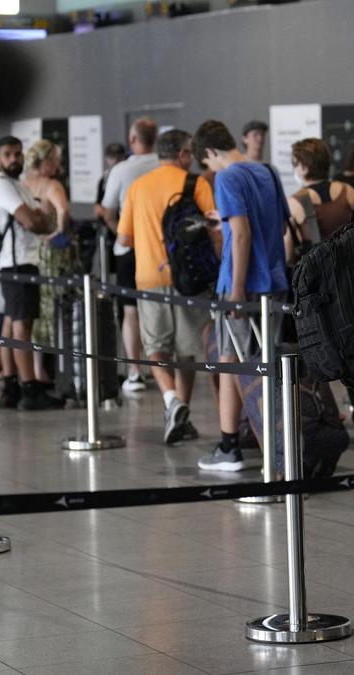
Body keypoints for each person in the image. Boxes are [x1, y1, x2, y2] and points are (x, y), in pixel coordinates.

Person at [192, 119, 289, 473]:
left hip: (243, 287)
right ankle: (232, 443)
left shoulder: (227, 177)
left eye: (208, 163)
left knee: (244, 369)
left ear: (210, 152)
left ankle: (271, 460)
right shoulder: (268, 171)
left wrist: (235, 292)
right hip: (274, 281)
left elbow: (242, 234)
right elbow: (277, 224)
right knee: (243, 364)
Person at [117, 129, 217, 445]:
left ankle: (173, 400)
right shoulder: (196, 184)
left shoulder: (138, 187)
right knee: (187, 350)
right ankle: (179, 406)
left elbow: (123, 238)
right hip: (190, 278)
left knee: (156, 346)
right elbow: (216, 228)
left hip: (148, 278)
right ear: (183, 154)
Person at [0, 136, 62, 410]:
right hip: (16, 264)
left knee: (13, 322)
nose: (14, 159)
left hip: (25, 261)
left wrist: (40, 218)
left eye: (17, 154)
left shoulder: (17, 185)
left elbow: (43, 219)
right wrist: (39, 217)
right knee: (22, 326)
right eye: (7, 154)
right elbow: (35, 221)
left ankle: (12, 384)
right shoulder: (1, 186)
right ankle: (29, 388)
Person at [102, 119, 160, 393]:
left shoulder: (121, 170)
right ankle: (160, 369)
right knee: (159, 306)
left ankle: (135, 371)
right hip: (160, 248)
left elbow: (106, 209)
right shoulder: (163, 165)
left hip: (129, 248)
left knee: (131, 311)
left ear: (133, 139)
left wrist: (120, 231)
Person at [21, 138, 76, 384]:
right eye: (54, 161)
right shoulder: (52, 185)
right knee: (55, 307)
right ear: (44, 162)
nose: (57, 166)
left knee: (35, 312)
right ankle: (60, 367)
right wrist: (59, 233)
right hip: (52, 254)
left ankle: (36, 368)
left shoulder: (23, 185)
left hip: (30, 253)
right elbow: (63, 211)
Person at [285, 137, 354, 261]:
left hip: (317, 275)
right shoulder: (347, 190)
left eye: (295, 164)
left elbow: (287, 256)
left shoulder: (294, 202)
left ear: (304, 166)